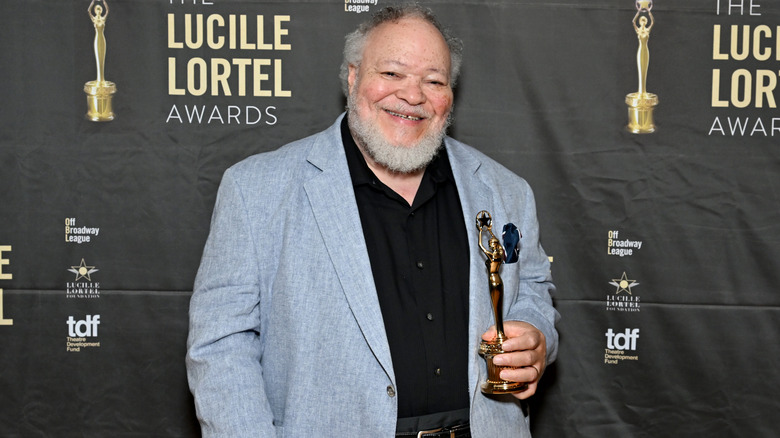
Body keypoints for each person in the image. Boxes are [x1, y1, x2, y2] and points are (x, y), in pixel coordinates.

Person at [186, 4, 559, 437]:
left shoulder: (505, 190)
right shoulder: (256, 189)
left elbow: (531, 289)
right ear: (353, 77)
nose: (412, 95)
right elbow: (220, 347)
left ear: (450, 96)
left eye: (433, 81)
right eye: (392, 74)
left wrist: (535, 334)